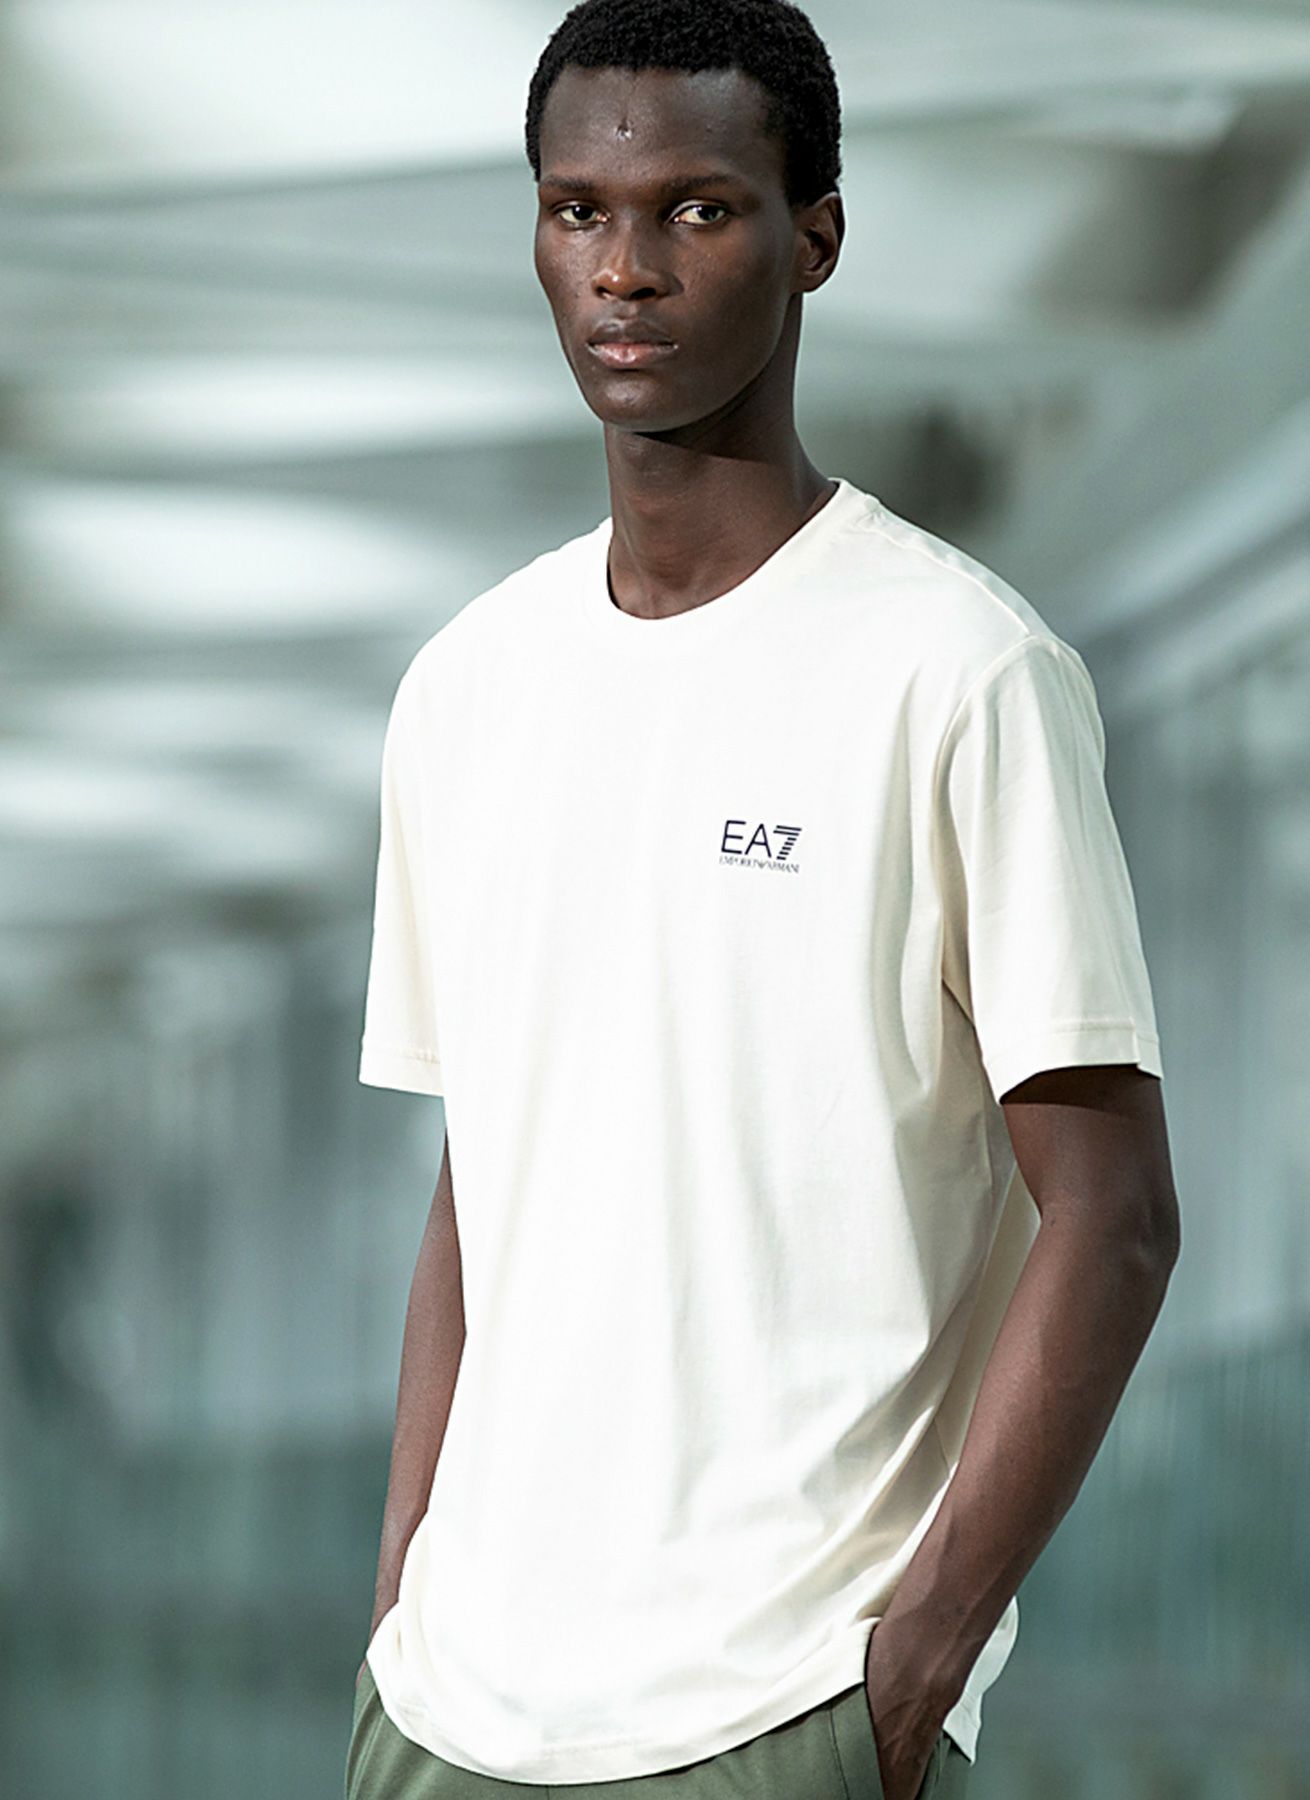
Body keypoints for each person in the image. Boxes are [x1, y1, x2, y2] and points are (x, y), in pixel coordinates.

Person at [346, 1, 1181, 1795]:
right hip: (447, 1715)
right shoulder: (466, 690)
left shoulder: (961, 671)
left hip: (781, 1710)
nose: (625, 269)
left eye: (698, 211)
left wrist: (909, 1670)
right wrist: (401, 1604)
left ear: (816, 238)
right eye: (578, 211)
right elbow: (477, 1187)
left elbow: (1114, 1214)